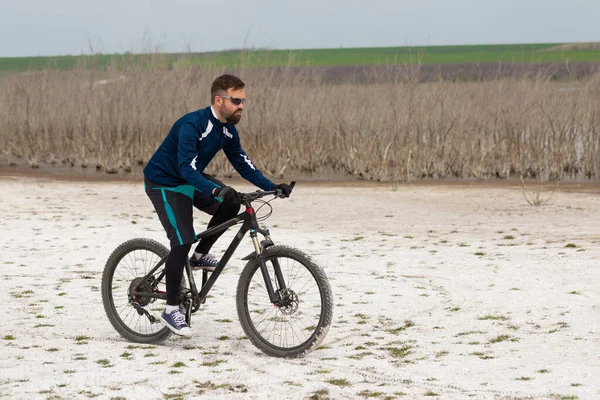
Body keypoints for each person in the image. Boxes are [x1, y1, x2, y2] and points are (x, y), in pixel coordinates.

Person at [143, 74, 292, 336]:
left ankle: (201, 255)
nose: (241, 106)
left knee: (232, 200)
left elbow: (243, 163)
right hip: (165, 182)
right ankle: (171, 309)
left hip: (190, 179)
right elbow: (185, 167)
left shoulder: (227, 131)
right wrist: (212, 188)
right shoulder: (193, 124)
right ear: (218, 99)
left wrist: (272, 186)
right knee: (182, 239)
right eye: (236, 100)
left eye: (243, 101)